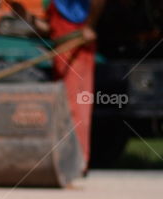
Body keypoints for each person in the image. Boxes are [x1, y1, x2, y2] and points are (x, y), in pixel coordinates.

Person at [12, 0, 105, 170]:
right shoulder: (55, 6)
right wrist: (28, 18)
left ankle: (79, 160)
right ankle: (68, 158)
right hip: (63, 51)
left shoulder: (73, 9)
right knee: (64, 107)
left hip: (78, 48)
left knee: (76, 105)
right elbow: (48, 29)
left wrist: (90, 26)